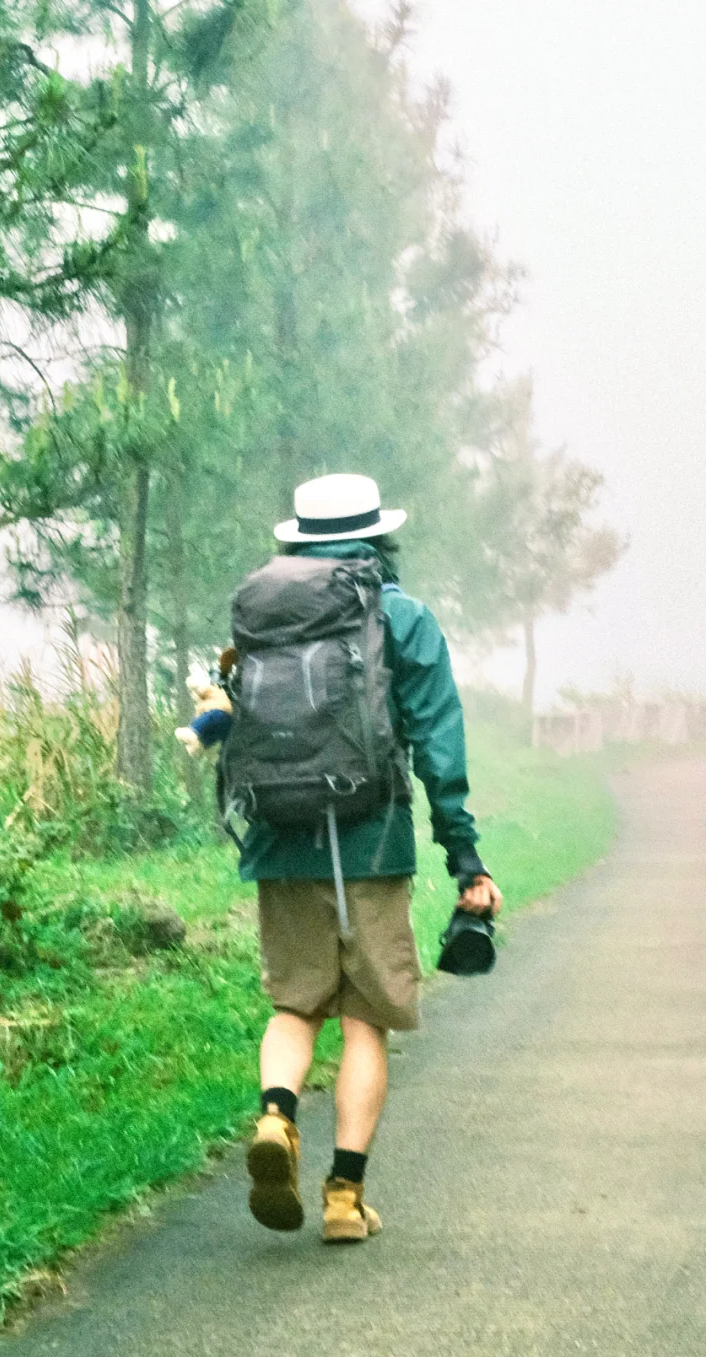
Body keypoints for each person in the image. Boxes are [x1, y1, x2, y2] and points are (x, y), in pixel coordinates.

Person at [181, 473, 502, 1243]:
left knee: (294, 1005)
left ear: (298, 538)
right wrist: (465, 856)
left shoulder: (265, 612)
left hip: (281, 838)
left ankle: (276, 1117)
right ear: (378, 537)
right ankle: (343, 1199)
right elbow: (438, 739)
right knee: (365, 1022)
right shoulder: (403, 617)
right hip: (371, 837)